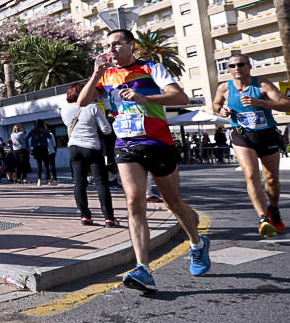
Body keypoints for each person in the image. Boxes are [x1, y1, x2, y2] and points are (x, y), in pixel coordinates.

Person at [78, 29, 210, 292]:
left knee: (172, 202)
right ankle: (144, 269)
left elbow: (180, 98)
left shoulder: (151, 68)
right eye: (108, 46)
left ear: (131, 45)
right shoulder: (106, 75)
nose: (111, 50)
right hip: (126, 144)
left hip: (158, 142)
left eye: (117, 45)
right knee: (133, 201)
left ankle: (197, 243)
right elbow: (82, 101)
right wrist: (95, 73)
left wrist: (142, 98)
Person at [212, 53, 290, 237]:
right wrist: (222, 110)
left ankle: (274, 210)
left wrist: (260, 102)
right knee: (251, 175)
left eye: (241, 64)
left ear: (249, 66)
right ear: (228, 69)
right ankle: (263, 219)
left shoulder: (262, 85)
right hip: (242, 136)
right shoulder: (224, 88)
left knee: (271, 180)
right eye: (232, 66)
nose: (237, 69)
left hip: (266, 135)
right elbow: (216, 103)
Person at [60, 82, 118, 227]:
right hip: (92, 148)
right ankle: (109, 218)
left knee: (79, 183)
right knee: (101, 183)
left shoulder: (64, 110)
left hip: (74, 148)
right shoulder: (93, 107)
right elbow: (106, 130)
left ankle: (85, 216)